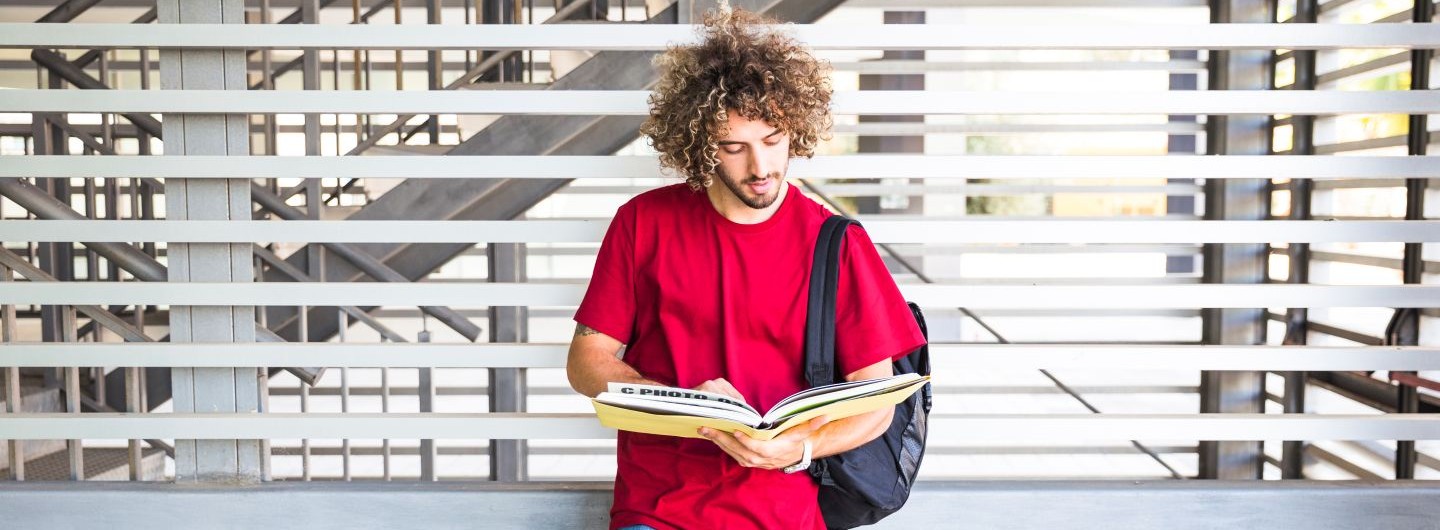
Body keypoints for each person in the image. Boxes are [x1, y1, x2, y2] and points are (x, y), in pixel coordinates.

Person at [566, 6, 927, 530]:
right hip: (657, 510)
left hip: (784, 513)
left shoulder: (838, 244)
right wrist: (683, 402)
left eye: (773, 140)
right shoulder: (642, 223)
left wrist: (800, 448)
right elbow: (586, 363)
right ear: (698, 145)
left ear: (797, 128)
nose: (760, 168)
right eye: (733, 147)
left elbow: (876, 405)